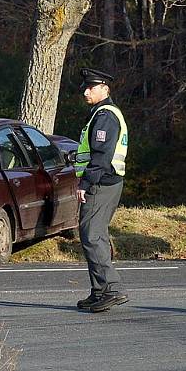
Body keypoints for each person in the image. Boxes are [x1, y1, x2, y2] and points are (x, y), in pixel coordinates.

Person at [74, 68, 129, 313]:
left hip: (101, 184)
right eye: (85, 87)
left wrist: (85, 183)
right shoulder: (102, 113)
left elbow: (101, 156)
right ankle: (99, 291)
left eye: (91, 87)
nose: (86, 91)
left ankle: (111, 289)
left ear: (105, 88)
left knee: (92, 236)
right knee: (95, 235)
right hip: (107, 182)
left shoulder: (105, 115)